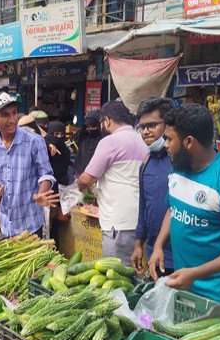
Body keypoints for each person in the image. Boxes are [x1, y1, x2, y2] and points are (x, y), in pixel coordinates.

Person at [149, 104, 220, 305]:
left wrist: (196, 273)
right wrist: (158, 246)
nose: (164, 145)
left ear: (189, 142)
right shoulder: (178, 170)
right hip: (185, 288)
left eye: (169, 139)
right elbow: (173, 210)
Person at [77, 100, 148, 265]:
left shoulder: (109, 142)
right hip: (139, 220)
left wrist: (79, 184)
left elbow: (86, 180)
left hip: (118, 222)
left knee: (116, 276)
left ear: (107, 121)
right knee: (132, 274)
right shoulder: (142, 141)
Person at [0, 91, 58, 237]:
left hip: (30, 224)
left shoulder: (34, 141)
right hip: (6, 224)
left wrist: (41, 194)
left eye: (14, 113)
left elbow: (46, 174)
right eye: (5, 115)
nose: (12, 120)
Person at [131, 97, 175, 276]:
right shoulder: (146, 163)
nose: (146, 131)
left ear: (168, 124)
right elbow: (144, 207)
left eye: (152, 125)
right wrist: (138, 244)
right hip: (154, 252)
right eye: (142, 127)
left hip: (180, 255)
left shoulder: (179, 162)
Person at [73, 110, 104, 177]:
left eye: (93, 126)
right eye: (88, 127)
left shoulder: (104, 140)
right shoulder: (84, 137)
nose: (90, 129)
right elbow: (79, 157)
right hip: (82, 175)